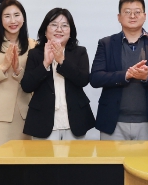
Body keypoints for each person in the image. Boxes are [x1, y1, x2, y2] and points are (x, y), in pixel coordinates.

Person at [91, 0, 148, 140]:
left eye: (137, 12)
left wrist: (147, 77)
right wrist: (125, 75)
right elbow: (95, 78)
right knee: (110, 157)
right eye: (127, 12)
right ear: (119, 17)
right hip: (113, 121)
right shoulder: (106, 43)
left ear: (144, 16)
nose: (132, 16)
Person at [21, 8, 95, 140]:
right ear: (45, 30)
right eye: (54, 25)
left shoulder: (80, 52)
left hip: (75, 120)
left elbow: (83, 80)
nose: (59, 29)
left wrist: (62, 61)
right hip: (43, 122)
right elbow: (26, 86)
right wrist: (45, 64)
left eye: (65, 25)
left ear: (71, 32)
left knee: (76, 155)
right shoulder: (35, 54)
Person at [0, 0, 36, 151]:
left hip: (24, 115)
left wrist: (17, 70)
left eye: (17, 15)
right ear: (0, 20)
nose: (13, 21)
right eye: (7, 16)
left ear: (23, 18)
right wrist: (3, 67)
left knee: (22, 162)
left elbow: (34, 82)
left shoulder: (32, 44)